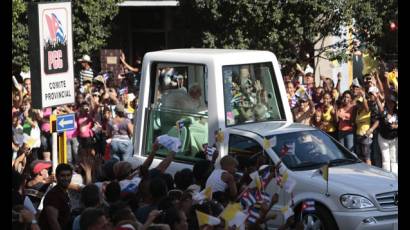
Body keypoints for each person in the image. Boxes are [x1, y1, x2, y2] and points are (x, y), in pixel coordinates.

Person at [39, 163, 74, 230]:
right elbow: (53, 222)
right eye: (62, 176)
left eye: (68, 175)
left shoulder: (63, 192)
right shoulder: (53, 195)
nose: (66, 178)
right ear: (57, 177)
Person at [354, 91, 372, 165]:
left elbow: (366, 105)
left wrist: (364, 96)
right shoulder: (358, 112)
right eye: (358, 103)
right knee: (360, 156)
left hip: (365, 136)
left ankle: (369, 172)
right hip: (358, 136)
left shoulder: (367, 111)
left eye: (361, 103)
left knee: (367, 157)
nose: (359, 104)